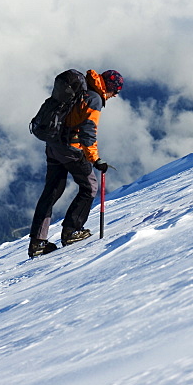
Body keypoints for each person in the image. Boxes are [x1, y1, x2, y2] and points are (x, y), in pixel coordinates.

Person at [28, 68, 124, 258]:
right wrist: (95, 159)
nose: (114, 96)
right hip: (71, 149)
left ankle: (37, 243)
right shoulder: (94, 98)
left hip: (53, 144)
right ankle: (72, 231)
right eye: (116, 92)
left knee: (51, 192)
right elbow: (88, 132)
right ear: (110, 87)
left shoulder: (80, 90)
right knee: (90, 187)